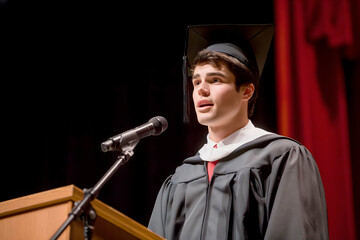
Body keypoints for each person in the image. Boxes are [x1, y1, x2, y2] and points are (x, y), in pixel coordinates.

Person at [148, 24, 329, 240]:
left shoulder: (281, 158)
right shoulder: (180, 179)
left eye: (215, 80)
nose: (201, 89)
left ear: (246, 91)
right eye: (196, 81)